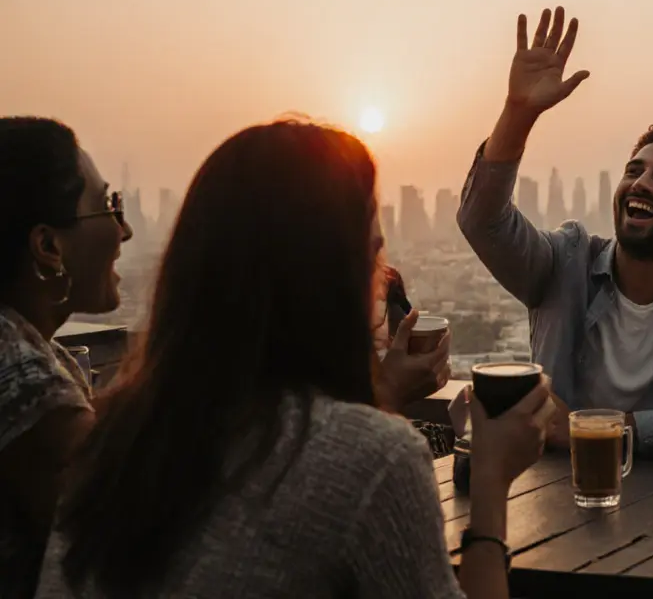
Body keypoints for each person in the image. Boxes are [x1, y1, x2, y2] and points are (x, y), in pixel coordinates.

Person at [35, 119, 553, 599]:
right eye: (371, 255)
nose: (380, 278)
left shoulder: (113, 437)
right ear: (326, 280)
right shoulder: (372, 457)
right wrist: (489, 478)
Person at [457, 7, 653, 457]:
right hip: (554, 500)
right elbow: (483, 221)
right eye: (634, 170)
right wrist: (519, 113)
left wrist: (584, 430)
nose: (642, 183)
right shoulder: (565, 263)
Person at [0, 116, 133, 599]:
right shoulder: (17, 370)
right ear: (48, 246)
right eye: (108, 207)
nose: (126, 231)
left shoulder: (39, 351)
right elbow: (127, 530)